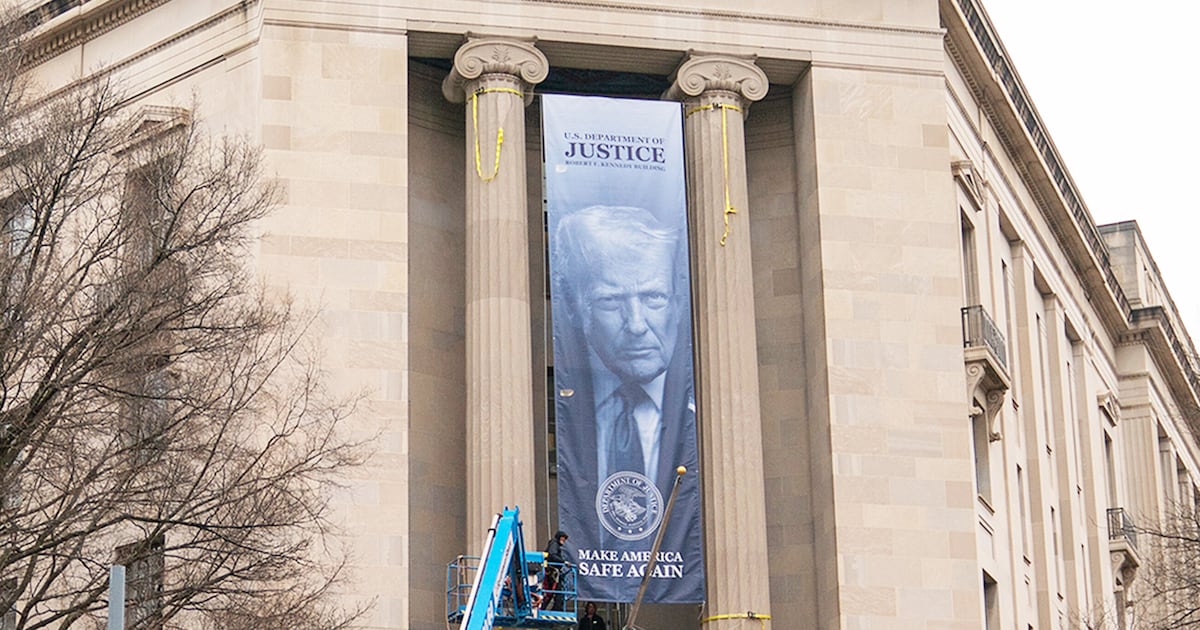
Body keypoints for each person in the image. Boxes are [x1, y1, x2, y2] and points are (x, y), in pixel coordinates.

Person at [550, 205, 702, 599]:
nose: (636, 325)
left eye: (653, 297)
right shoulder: (573, 406)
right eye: (610, 302)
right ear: (577, 310)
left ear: (677, 303)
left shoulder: (691, 411)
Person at [541, 531, 570, 610]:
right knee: (555, 591)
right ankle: (555, 608)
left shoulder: (555, 545)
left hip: (551, 571)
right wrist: (563, 562)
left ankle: (546, 607)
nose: (563, 540)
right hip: (551, 572)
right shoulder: (554, 544)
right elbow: (552, 555)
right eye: (562, 538)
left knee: (551, 593)